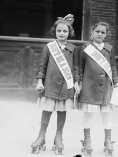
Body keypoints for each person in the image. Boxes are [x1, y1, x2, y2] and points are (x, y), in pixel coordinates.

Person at [31, 14, 80, 155]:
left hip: (66, 86)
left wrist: (76, 82)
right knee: (46, 111)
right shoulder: (49, 47)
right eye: (59, 31)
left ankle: (58, 137)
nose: (62, 33)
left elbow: (76, 68)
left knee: (62, 111)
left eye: (65, 31)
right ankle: (41, 136)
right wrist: (40, 81)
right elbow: (42, 66)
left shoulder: (73, 48)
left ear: (69, 32)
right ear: (55, 31)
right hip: (50, 85)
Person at [77, 21, 118, 156]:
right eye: (97, 31)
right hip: (89, 86)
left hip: (105, 87)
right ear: (92, 32)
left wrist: (117, 82)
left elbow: (112, 67)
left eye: (103, 32)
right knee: (89, 113)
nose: (100, 34)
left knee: (106, 113)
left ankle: (108, 140)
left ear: (106, 35)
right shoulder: (86, 48)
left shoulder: (109, 49)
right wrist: (78, 82)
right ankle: (87, 140)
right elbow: (80, 67)